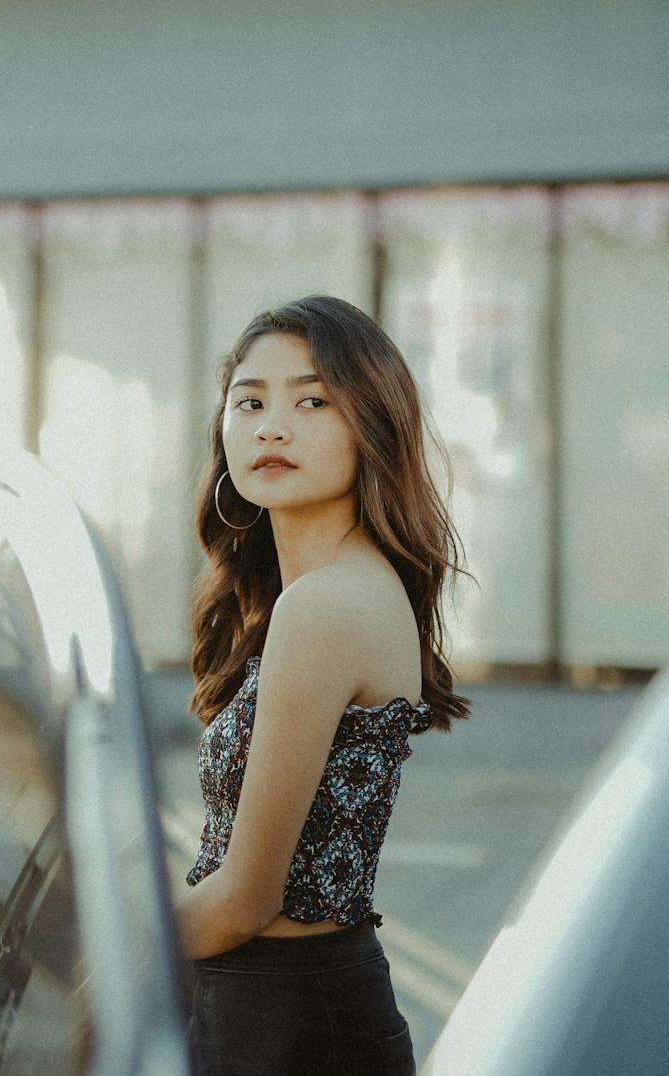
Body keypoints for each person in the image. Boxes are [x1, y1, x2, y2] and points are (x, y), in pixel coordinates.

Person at [174, 293, 472, 1076]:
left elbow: (245, 897)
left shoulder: (325, 605)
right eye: (251, 401)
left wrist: (99, 952)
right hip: (294, 1009)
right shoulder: (330, 589)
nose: (273, 424)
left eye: (313, 400)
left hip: (285, 1026)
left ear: (370, 424)